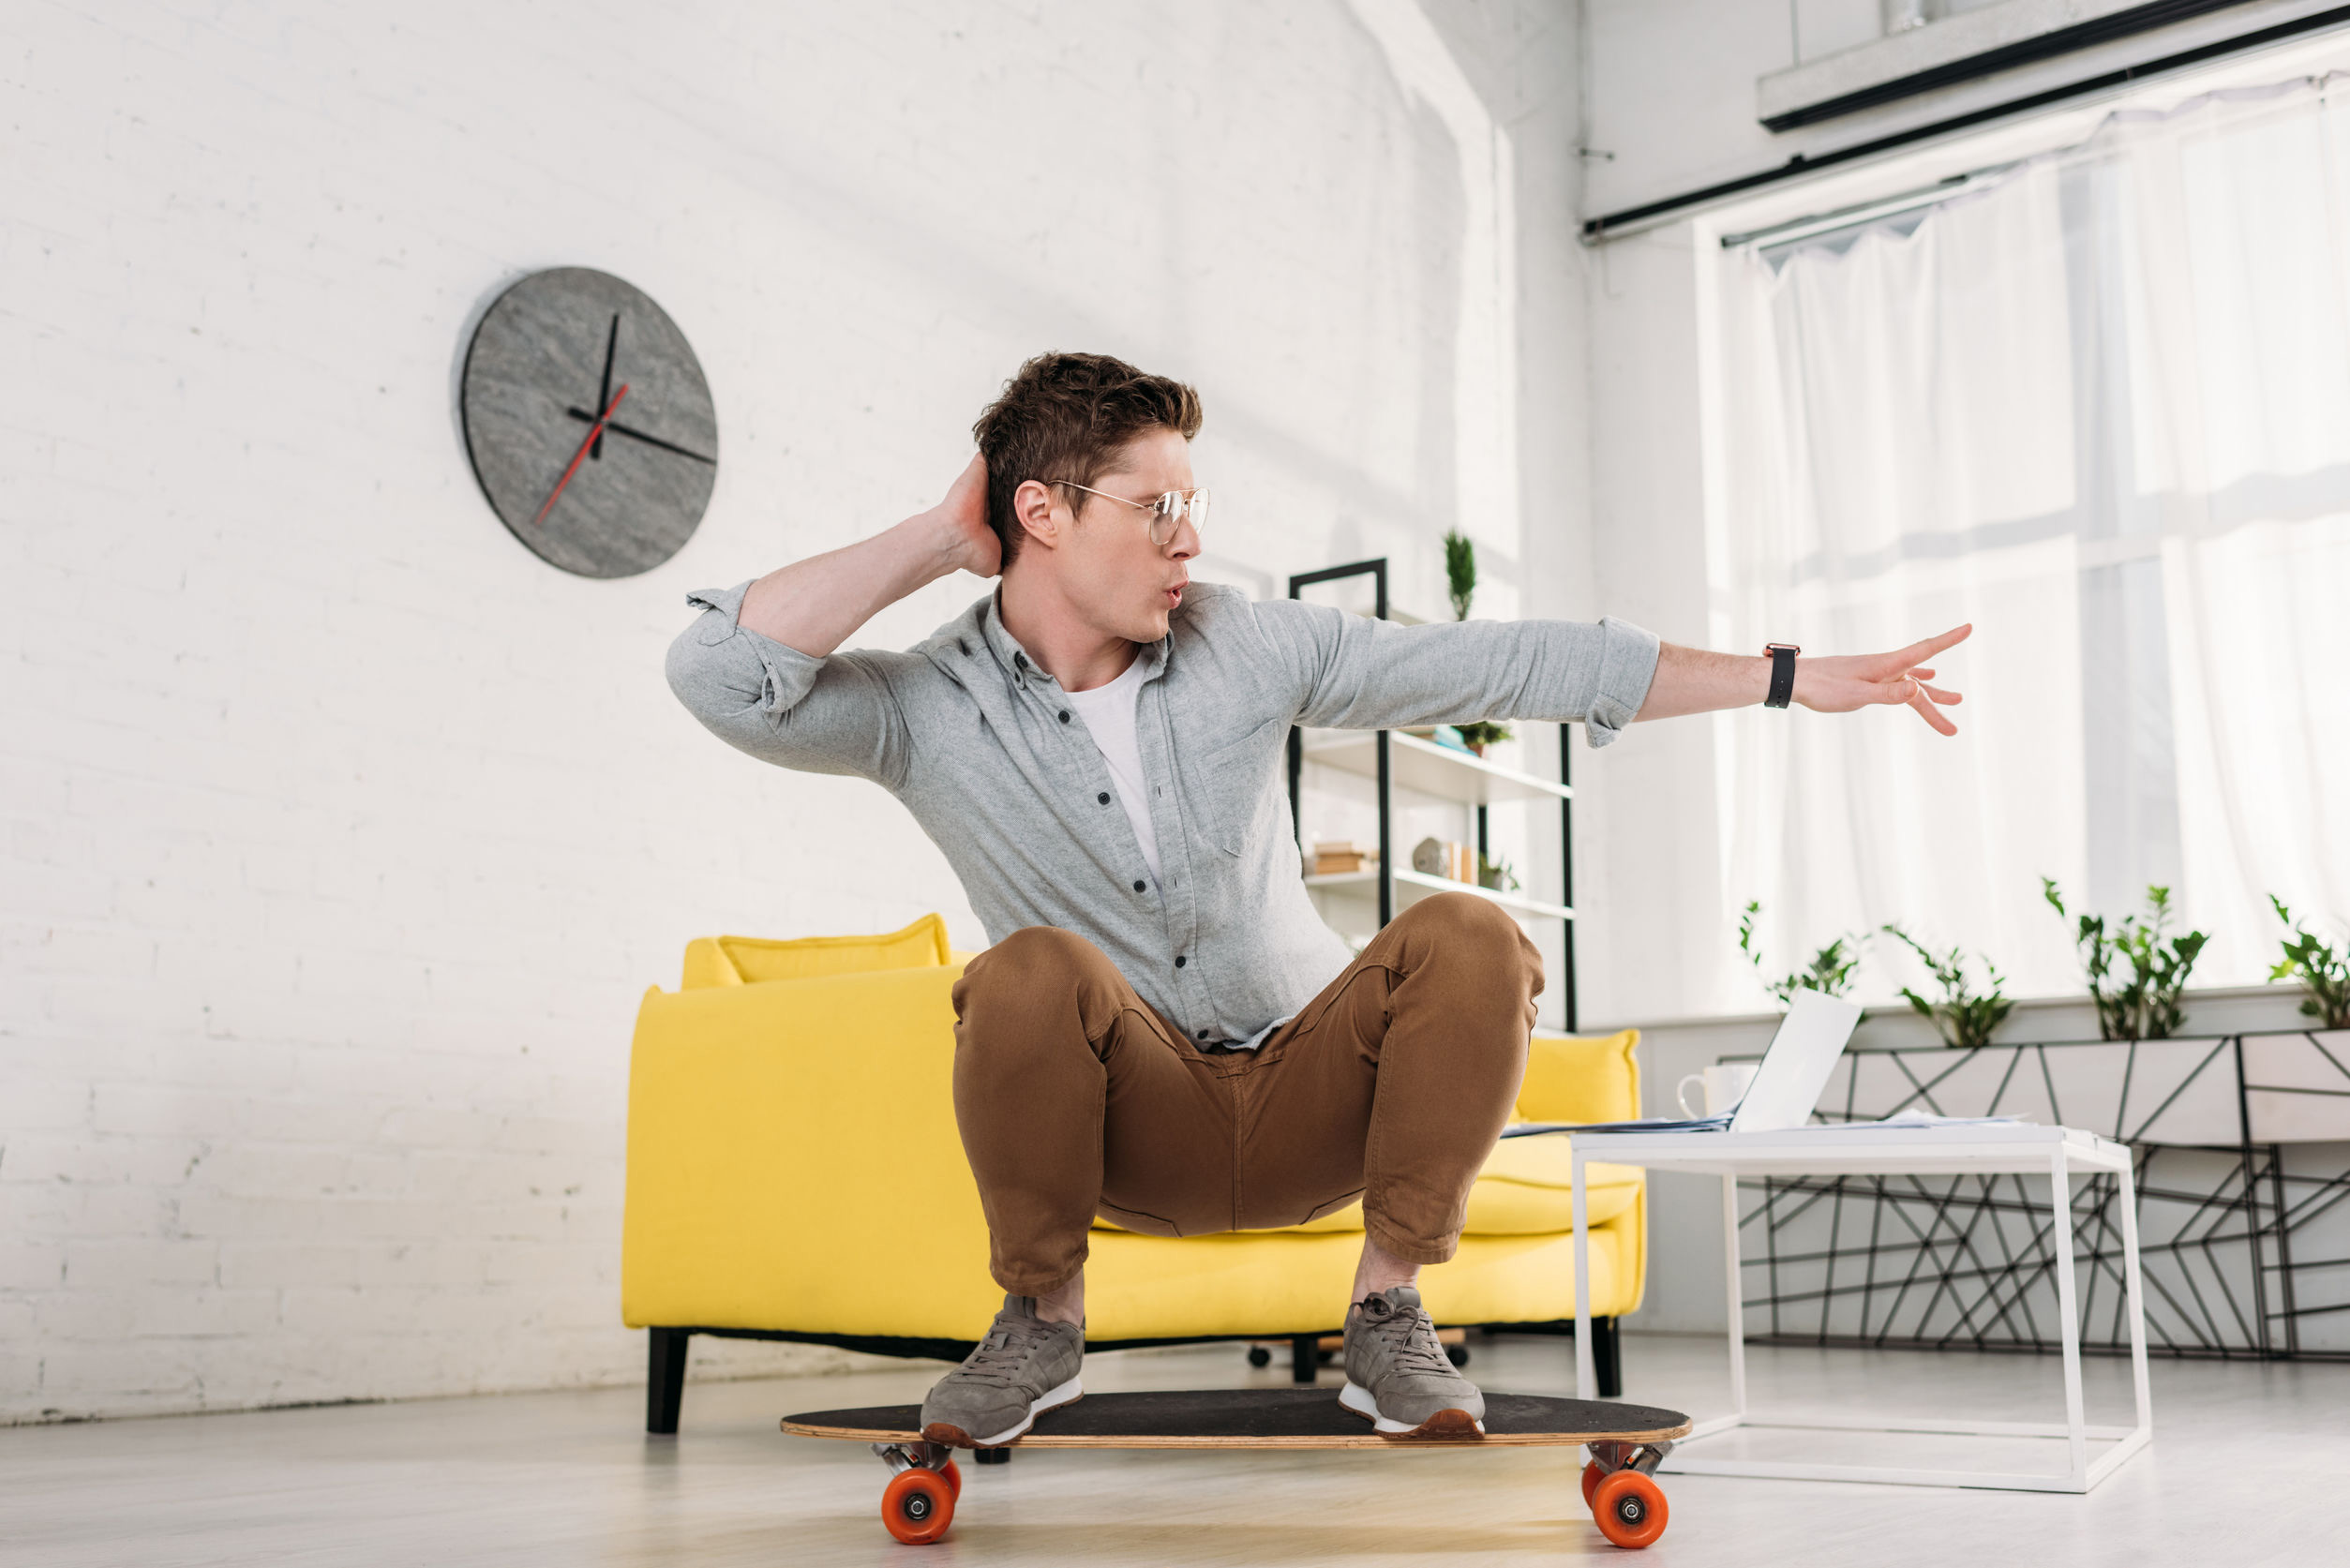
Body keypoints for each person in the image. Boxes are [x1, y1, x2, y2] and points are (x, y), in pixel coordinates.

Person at [665, 351, 1968, 1446]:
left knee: (1470, 933)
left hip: (1310, 1096)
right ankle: (1040, 1324)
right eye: (1156, 505)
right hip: (1135, 1130)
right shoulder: (920, 710)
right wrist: (939, 538)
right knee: (1026, 969)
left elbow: (1512, 659)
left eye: (1196, 500)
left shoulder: (1245, 644)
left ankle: (1390, 1315)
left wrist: (1783, 675)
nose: (1192, 534)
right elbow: (720, 674)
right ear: (1043, 511)